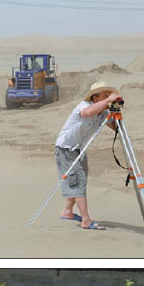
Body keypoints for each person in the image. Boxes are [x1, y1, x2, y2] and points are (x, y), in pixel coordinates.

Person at [55, 81, 122, 230]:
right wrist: (108, 101)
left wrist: (115, 113)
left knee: (80, 180)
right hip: (66, 149)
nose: (108, 99)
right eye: (105, 96)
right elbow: (88, 113)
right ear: (96, 98)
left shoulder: (102, 112)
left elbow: (115, 128)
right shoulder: (84, 106)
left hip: (79, 150)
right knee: (77, 183)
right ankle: (86, 220)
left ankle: (67, 212)